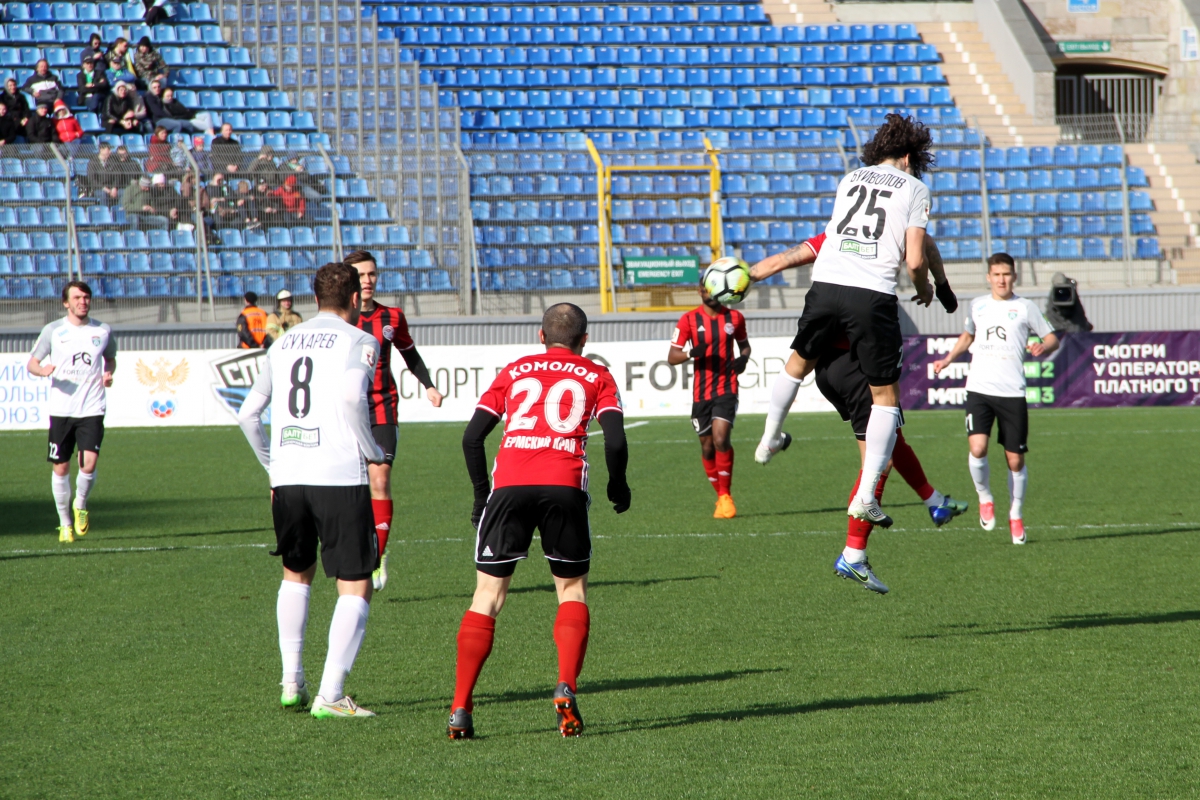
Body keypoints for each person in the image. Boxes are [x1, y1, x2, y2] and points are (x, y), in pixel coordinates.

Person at [449, 303, 630, 739]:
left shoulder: (514, 370)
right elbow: (615, 440)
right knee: (571, 590)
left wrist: (481, 496)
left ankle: (460, 708)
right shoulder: (598, 374)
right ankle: (565, 685)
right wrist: (618, 485)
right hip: (564, 487)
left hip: (509, 487)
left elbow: (472, 438)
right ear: (584, 340)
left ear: (540, 335)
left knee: (487, 595)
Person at [751, 113, 935, 532]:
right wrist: (925, 288)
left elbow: (834, 237)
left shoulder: (850, 178)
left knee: (797, 363)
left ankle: (770, 437)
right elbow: (914, 260)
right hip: (870, 294)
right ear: (910, 156)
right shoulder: (915, 188)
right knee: (885, 397)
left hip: (825, 284)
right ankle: (867, 494)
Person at [764, 232, 968, 593]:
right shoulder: (892, 230)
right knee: (878, 462)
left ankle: (935, 501)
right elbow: (922, 251)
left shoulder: (837, 235)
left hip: (829, 366)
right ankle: (854, 553)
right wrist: (935, 286)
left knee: (892, 438)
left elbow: (784, 259)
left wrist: (749, 274)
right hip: (857, 367)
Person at [236, 262, 388, 718]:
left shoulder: (282, 342)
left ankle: (291, 682)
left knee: (295, 575)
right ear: (355, 299)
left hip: (289, 476)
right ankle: (331, 694)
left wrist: (272, 464)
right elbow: (352, 396)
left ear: (315, 298)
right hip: (338, 473)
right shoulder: (360, 340)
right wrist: (372, 450)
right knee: (356, 584)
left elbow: (247, 414)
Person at [932, 253, 1059, 544]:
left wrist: (1043, 346)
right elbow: (968, 336)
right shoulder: (978, 305)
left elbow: (1052, 338)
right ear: (989, 277)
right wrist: (948, 358)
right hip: (979, 389)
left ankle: (1016, 514)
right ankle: (985, 497)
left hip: (1012, 392)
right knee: (977, 448)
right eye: (997, 275)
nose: (1002, 280)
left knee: (1015, 460)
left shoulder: (1025, 307)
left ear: (1014, 277)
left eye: (1007, 274)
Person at [346, 250, 444, 591]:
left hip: (382, 408)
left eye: (371, 273)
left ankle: (377, 557)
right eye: (360, 275)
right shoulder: (338, 319)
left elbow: (410, 354)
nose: (367, 280)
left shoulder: (392, 317)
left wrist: (429, 386)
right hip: (346, 409)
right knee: (350, 486)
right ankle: (359, 544)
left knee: (380, 479)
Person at [25, 281, 117, 543]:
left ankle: (81, 504)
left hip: (92, 407)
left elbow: (110, 359)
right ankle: (65, 523)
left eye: (86, 297)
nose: (82, 301)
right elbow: (32, 363)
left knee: (89, 462)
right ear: (66, 303)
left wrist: (108, 374)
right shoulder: (53, 330)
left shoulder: (103, 330)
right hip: (62, 409)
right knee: (61, 467)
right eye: (77, 297)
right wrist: (42, 370)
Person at [665, 271, 750, 519]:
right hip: (701, 393)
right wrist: (691, 353)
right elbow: (672, 357)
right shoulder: (688, 320)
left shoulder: (735, 317)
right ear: (699, 291)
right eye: (705, 289)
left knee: (721, 438)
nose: (708, 293)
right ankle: (720, 497)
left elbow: (744, 346)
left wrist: (743, 359)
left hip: (727, 387)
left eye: (713, 289)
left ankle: (726, 495)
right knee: (707, 446)